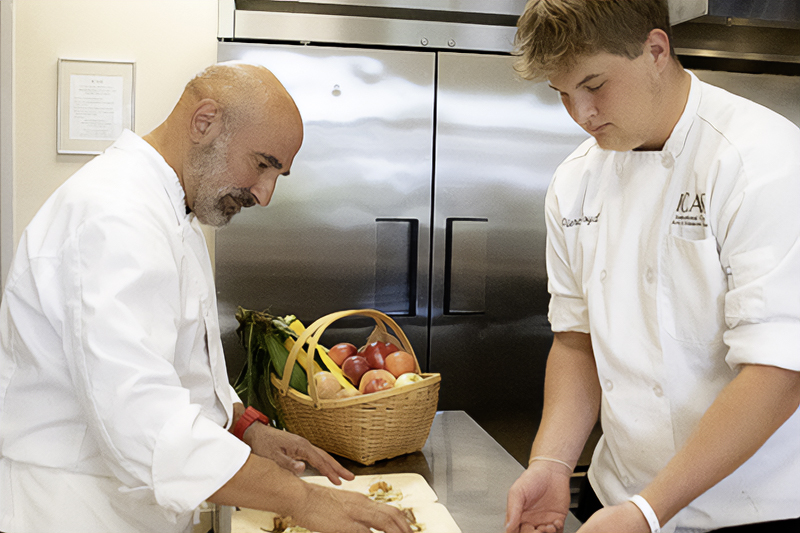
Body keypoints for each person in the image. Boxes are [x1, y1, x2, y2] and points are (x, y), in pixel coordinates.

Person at [0, 63, 412, 533]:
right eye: (262, 164)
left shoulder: (172, 207)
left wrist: (246, 428)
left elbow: (174, 369)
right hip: (74, 509)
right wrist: (301, 499)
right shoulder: (114, 214)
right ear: (204, 121)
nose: (265, 193)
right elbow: (140, 417)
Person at [504, 1, 800, 532]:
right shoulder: (575, 181)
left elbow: (779, 370)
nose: (581, 114)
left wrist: (647, 511)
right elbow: (576, 341)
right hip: (616, 499)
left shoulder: (762, 161)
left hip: (752, 511)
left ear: (656, 50)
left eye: (594, 85)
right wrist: (551, 462)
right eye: (562, 94)